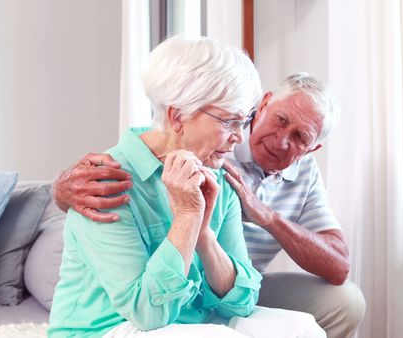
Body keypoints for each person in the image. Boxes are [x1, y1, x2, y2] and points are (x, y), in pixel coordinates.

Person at [48, 36, 325, 338]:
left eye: (243, 121)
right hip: (107, 328)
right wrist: (187, 216)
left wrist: (204, 235)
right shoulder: (101, 183)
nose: (239, 138)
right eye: (230, 121)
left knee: (302, 329)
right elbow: (147, 313)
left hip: (189, 322)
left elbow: (244, 302)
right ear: (178, 116)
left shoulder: (218, 176)